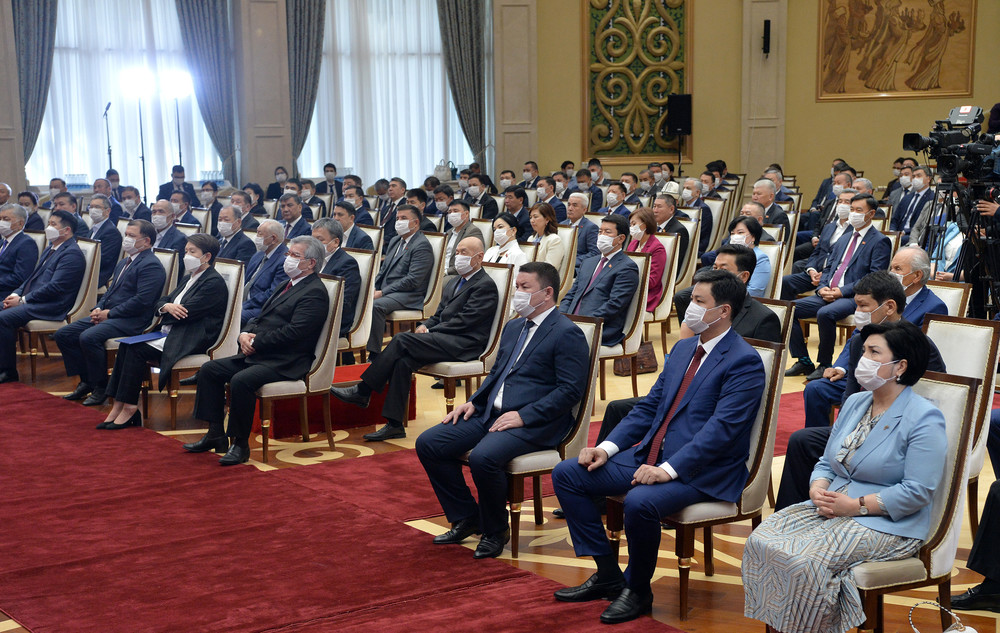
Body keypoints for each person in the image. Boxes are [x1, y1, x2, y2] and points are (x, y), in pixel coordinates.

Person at [552, 269, 766, 624]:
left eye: (699, 301)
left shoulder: (743, 361)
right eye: (691, 299)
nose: (689, 307)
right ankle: (608, 573)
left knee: (640, 502)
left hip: (703, 470)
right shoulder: (684, 348)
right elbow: (650, 406)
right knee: (568, 473)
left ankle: (638, 590)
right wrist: (607, 448)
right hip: (652, 454)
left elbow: (722, 431)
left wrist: (667, 470)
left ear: (723, 311)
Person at [744, 321, 945, 633]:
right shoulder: (856, 402)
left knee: (806, 561)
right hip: (834, 506)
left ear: (901, 366)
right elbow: (827, 461)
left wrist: (856, 506)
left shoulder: (924, 417)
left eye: (874, 352)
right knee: (762, 540)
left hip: (887, 521)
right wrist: (817, 487)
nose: (863, 360)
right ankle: (780, 627)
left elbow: (917, 491)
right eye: (863, 351)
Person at [417, 262, 590, 558]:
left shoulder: (566, 333)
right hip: (492, 413)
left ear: (547, 293)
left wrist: (524, 416)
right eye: (516, 287)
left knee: (484, 457)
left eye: (525, 288)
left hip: (536, 422)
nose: (517, 293)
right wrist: (474, 402)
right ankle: (467, 517)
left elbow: (569, 391)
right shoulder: (514, 326)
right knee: (430, 443)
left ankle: (495, 530)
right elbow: (498, 373)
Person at [775, 271, 947, 510]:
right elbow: (851, 394)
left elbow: (935, 395)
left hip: (898, 430)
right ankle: (801, 508)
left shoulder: (917, 345)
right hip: (862, 424)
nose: (857, 312)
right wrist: (843, 432)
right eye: (856, 305)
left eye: (863, 306)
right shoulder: (860, 341)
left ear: (889, 307)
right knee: (803, 440)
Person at [333, 236, 499, 441]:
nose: (458, 257)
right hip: (445, 338)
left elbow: (466, 322)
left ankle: (363, 390)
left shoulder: (485, 285)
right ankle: (394, 425)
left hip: (464, 344)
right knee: (403, 361)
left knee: (401, 340)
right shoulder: (454, 282)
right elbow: (439, 314)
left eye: (464, 252)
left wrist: (431, 330)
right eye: (456, 252)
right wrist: (425, 325)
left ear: (479, 257)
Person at [184, 236, 330, 465]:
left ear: (311, 263)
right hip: (262, 353)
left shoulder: (315, 292)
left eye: (295, 255)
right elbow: (261, 317)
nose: (288, 259)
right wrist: (245, 334)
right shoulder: (287, 284)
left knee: (241, 381)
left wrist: (257, 342)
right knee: (210, 370)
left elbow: (295, 333)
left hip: (287, 360)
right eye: (288, 254)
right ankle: (215, 434)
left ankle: (240, 445)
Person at [98, 234, 227, 429]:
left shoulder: (213, 282)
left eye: (192, 252)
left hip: (190, 337)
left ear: (207, 256)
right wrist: (167, 307)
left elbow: (185, 314)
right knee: (125, 346)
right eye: (186, 251)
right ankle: (118, 405)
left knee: (135, 350)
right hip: (169, 332)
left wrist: (167, 309)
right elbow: (162, 301)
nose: (186, 255)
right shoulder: (189, 277)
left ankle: (130, 407)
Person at [55, 220, 166, 406]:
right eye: (126, 234)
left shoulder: (151, 265)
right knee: (63, 334)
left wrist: (110, 313)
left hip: (133, 320)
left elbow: (142, 301)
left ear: (146, 241)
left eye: (132, 236)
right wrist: (99, 308)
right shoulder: (124, 262)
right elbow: (110, 292)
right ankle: (87, 381)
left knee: (88, 337)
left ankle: (101, 388)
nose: (126, 239)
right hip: (111, 314)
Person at [786, 194, 891, 378]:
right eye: (852, 209)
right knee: (790, 310)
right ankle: (804, 361)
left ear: (871, 214)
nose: (853, 214)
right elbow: (828, 268)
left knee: (825, 313)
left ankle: (824, 363)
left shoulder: (879, 241)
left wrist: (842, 291)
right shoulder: (844, 238)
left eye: (859, 210)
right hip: (828, 292)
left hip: (854, 296)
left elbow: (874, 277)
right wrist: (822, 287)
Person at [0, 210, 87, 383]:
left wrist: (23, 300)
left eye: (53, 224)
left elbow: (56, 287)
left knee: (3, 318)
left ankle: (8, 371)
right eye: (49, 223)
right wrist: (16, 293)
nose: (48, 227)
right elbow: (31, 278)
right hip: (35, 300)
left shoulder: (71, 254)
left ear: (66, 230)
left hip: (52, 306)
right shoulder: (51, 248)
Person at [560, 214, 640, 346]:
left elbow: (614, 305)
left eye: (607, 232)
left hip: (599, 328)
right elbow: (571, 294)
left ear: (621, 238)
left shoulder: (627, 267)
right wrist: (561, 317)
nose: (601, 236)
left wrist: (584, 323)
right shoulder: (588, 262)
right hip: (571, 324)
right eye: (600, 231)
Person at [367, 205, 434, 356]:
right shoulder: (396, 240)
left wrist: (382, 292)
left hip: (409, 294)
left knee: (376, 306)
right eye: (397, 218)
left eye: (403, 218)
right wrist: (372, 287)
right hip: (389, 290)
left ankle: (374, 354)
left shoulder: (421, 245)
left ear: (416, 223)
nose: (399, 222)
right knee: (361, 298)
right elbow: (383, 270)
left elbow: (413, 280)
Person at [311, 218, 360, 339]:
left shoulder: (347, 264)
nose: (314, 244)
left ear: (336, 242)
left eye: (320, 240)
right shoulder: (313, 259)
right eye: (313, 240)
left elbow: (343, 303)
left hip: (332, 322)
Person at [241, 220, 289, 325]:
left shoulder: (284, 260)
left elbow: (273, 293)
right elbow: (245, 281)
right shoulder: (258, 255)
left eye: (260, 234)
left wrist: (245, 305)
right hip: (243, 302)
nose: (256, 237)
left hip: (261, 308)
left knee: (234, 316)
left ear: (273, 239)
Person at [626, 207, 665, 313]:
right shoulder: (633, 243)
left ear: (645, 224)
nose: (631, 228)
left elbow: (652, 281)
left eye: (634, 224)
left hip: (646, 294)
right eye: (630, 225)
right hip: (629, 288)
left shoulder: (657, 248)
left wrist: (627, 280)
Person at [0, 204, 40, 298]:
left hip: (6, 294)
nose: (1, 222)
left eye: (6, 219)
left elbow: (20, 278)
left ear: (20, 224)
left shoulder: (27, 244)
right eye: (0, 219)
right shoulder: (3, 242)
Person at [85, 194, 123, 287]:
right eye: (91, 207)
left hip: (97, 275)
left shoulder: (111, 232)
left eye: (97, 207)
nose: (93, 210)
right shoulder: (93, 229)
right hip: (87, 269)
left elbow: (102, 260)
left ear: (108, 211)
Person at [890, 166, 933, 244]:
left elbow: (923, 225)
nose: (915, 179)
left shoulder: (932, 198)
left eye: (918, 176)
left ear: (928, 179)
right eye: (913, 176)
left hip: (914, 235)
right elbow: (895, 219)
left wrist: (905, 232)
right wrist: (892, 231)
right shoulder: (907, 197)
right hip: (898, 233)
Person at [560, 192, 600, 274]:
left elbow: (595, 253)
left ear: (584, 210)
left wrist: (571, 261)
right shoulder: (561, 225)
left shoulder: (590, 227)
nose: (570, 208)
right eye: (569, 205)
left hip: (576, 267)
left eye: (574, 205)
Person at [484, 212, 529, 278]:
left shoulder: (519, 255)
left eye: (500, 227)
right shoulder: (490, 251)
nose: (496, 232)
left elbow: (518, 282)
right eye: (494, 229)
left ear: (513, 230)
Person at [679, 177, 713, 256]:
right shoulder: (684, 206)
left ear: (697, 192)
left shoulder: (703, 209)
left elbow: (701, 234)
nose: (684, 191)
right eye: (684, 188)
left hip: (697, 247)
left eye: (688, 188)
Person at [527, 202, 564, 270]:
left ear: (547, 219)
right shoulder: (531, 238)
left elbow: (550, 268)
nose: (532, 221)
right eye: (530, 217)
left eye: (535, 217)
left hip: (544, 276)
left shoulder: (554, 240)